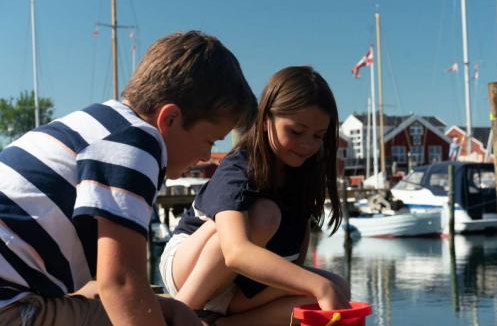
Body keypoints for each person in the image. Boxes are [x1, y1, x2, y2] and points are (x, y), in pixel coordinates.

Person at [0, 30, 257, 326]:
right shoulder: (137, 143)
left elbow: (105, 280)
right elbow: (120, 284)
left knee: (162, 310)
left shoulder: (100, 124)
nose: (205, 157)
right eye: (210, 141)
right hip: (9, 306)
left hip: (12, 293)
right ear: (170, 119)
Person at [160, 66, 351, 325]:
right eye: (296, 131)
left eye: (318, 136)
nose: (307, 144)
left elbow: (296, 255)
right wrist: (318, 286)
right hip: (189, 269)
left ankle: (221, 324)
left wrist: (323, 287)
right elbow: (235, 252)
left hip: (240, 286)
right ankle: (182, 311)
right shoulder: (239, 167)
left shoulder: (303, 174)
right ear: (265, 120)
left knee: (338, 286)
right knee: (265, 215)